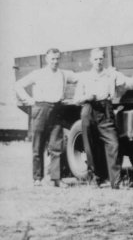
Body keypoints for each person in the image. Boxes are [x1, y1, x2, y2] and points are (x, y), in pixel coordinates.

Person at [73, 48, 133, 189]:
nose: (98, 62)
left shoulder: (111, 74)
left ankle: (116, 182)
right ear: (91, 61)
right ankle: (95, 179)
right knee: (91, 147)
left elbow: (129, 84)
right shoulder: (85, 77)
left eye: (101, 58)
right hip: (88, 110)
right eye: (96, 59)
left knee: (114, 144)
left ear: (104, 59)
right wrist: (87, 97)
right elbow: (76, 99)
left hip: (106, 110)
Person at [15, 48, 79, 187]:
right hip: (40, 109)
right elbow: (18, 85)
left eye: (57, 59)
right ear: (47, 59)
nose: (55, 62)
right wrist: (29, 101)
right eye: (52, 59)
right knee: (38, 145)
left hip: (56, 110)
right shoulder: (38, 74)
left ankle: (56, 178)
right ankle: (37, 178)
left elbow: (80, 78)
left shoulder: (63, 74)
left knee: (56, 145)